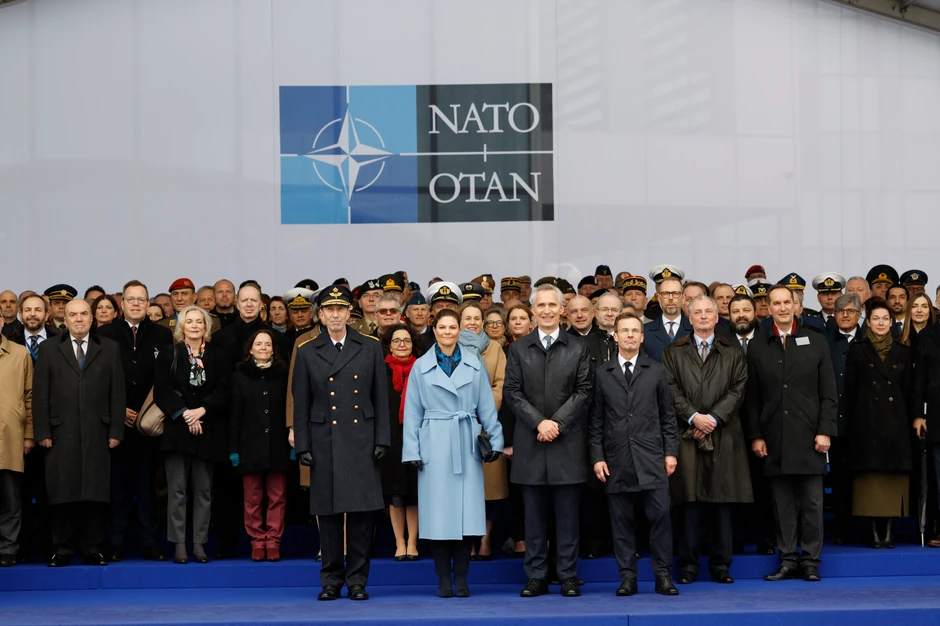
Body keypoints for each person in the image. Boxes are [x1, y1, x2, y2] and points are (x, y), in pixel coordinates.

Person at [292, 285, 390, 602]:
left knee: (361, 517)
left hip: (361, 439)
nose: (335, 315)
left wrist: (382, 439)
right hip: (325, 441)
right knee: (329, 515)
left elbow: (381, 398)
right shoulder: (307, 351)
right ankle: (331, 580)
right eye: (329, 310)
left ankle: (358, 580)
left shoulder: (370, 347)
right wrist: (303, 444)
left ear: (350, 313)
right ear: (320, 314)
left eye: (340, 309)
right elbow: (301, 403)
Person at [402, 308, 504, 598]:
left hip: (466, 440)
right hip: (434, 441)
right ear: (434, 331)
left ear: (460, 330)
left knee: (466, 516)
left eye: (452, 327)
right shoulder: (421, 366)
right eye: (442, 327)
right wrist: (411, 449)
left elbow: (486, 405)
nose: (447, 332)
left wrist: (495, 440)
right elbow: (412, 412)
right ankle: (443, 579)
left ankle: (462, 577)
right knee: (438, 516)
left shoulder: (473, 364)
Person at [743, 285, 837, 582]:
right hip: (774, 437)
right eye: (776, 303)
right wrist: (756, 435)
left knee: (811, 504)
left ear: (797, 306)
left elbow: (828, 393)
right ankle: (787, 559)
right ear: (768, 308)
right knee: (782, 505)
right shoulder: (759, 344)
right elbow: (752, 397)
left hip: (810, 436)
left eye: (787, 302)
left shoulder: (817, 342)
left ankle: (810, 561)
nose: (782, 308)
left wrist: (825, 431)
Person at [503, 284, 592, 598]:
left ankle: (567, 575)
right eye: (540, 305)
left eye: (552, 305)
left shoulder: (578, 348)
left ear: (561, 309)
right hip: (531, 443)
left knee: (568, 517)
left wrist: (557, 423)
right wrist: (539, 422)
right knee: (534, 518)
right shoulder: (518, 349)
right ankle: (537, 577)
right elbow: (512, 393)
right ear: (532, 310)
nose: (546, 310)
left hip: (567, 444)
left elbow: (584, 391)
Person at [662, 295, 751, 585]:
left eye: (707, 312)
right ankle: (688, 565)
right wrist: (693, 417)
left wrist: (712, 418)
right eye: (697, 312)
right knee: (689, 502)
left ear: (717, 318)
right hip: (687, 436)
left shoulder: (733, 350)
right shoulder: (673, 351)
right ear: (689, 318)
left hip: (724, 434)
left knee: (722, 503)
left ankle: (721, 565)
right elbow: (670, 389)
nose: (702, 317)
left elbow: (739, 389)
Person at [588, 312, 679, 596]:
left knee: (660, 517)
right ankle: (627, 577)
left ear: (642, 337)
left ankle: (663, 575)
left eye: (634, 331)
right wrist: (597, 456)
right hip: (616, 458)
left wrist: (671, 453)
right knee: (621, 522)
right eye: (623, 330)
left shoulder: (656, 370)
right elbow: (595, 421)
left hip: (652, 456)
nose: (629, 335)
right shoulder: (602, 373)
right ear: (615, 336)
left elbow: (668, 416)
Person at [32, 299, 125, 567]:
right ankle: (62, 550)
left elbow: (117, 393)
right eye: (73, 315)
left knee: (95, 493)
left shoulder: (109, 349)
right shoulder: (49, 349)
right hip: (60, 434)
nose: (79, 319)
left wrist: (116, 429)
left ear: (92, 318)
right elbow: (40, 395)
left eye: (84, 314)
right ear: (65, 319)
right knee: (62, 492)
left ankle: (92, 548)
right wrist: (42, 431)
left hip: (99, 432)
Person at [96, 281, 173, 562]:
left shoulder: (163, 335)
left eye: (142, 299)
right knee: (117, 486)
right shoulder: (105, 334)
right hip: (116, 424)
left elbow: (166, 380)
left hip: (150, 425)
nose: (137, 304)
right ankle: (115, 542)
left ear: (148, 302)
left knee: (147, 487)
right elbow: (98, 380)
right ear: (122, 304)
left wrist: (145, 412)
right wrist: (120, 410)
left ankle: (149, 541)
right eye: (131, 299)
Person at [154, 305, 231, 565]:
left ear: (207, 327)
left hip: (208, 430)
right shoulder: (169, 354)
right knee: (176, 490)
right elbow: (162, 391)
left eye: (200, 321)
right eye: (190, 322)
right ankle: (178, 544)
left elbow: (224, 390)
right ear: (181, 327)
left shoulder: (218, 356)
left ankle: (199, 544)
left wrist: (201, 410)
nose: (195, 326)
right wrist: (185, 413)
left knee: (203, 490)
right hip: (178, 432)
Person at [844, 299, 913, 549]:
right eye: (876, 319)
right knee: (870, 483)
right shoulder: (857, 350)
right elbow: (849, 391)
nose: (881, 323)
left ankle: (889, 532)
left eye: (886, 318)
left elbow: (909, 390)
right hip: (866, 424)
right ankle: (873, 532)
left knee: (892, 482)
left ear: (891, 322)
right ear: (868, 322)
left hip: (896, 423)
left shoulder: (903, 351)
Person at [228, 329, 290, 562]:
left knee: (277, 496)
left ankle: (273, 541)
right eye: (258, 344)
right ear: (250, 349)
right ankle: (257, 541)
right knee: (252, 498)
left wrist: (294, 443)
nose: (263, 348)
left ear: (273, 349)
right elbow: (234, 415)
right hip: (249, 446)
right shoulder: (240, 375)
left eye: (267, 344)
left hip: (278, 445)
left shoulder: (283, 374)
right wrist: (233, 448)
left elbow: (290, 411)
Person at [458, 301, 509, 560]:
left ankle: (486, 540)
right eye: (467, 318)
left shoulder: (495, 348)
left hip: (487, 427)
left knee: (490, 490)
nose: (473, 323)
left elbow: (500, 385)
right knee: (464, 489)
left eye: (477, 318)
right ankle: (467, 540)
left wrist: (482, 408)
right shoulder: (449, 347)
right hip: (457, 427)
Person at [380, 324, 422, 562]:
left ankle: (413, 542)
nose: (402, 345)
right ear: (389, 344)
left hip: (417, 437)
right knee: (395, 494)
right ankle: (399, 543)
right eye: (397, 341)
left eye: (406, 340)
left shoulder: (422, 368)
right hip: (391, 440)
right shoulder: (381, 370)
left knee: (414, 493)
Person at [826, 293, 863, 545]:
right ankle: (841, 530)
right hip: (835, 423)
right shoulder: (825, 342)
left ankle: (862, 529)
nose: (846, 315)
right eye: (841, 311)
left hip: (863, 423)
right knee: (838, 480)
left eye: (850, 311)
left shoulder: (869, 340)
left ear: (859, 314)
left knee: (862, 479)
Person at [0, 317, 34, 567]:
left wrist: (29, 433)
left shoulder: (20, 353)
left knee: (11, 498)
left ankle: (8, 548)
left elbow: (30, 395)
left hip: (11, 437)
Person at [644, 269, 691, 362]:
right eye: (665, 293)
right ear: (659, 298)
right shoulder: (645, 331)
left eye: (675, 293)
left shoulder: (695, 329)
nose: (670, 298)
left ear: (683, 298)